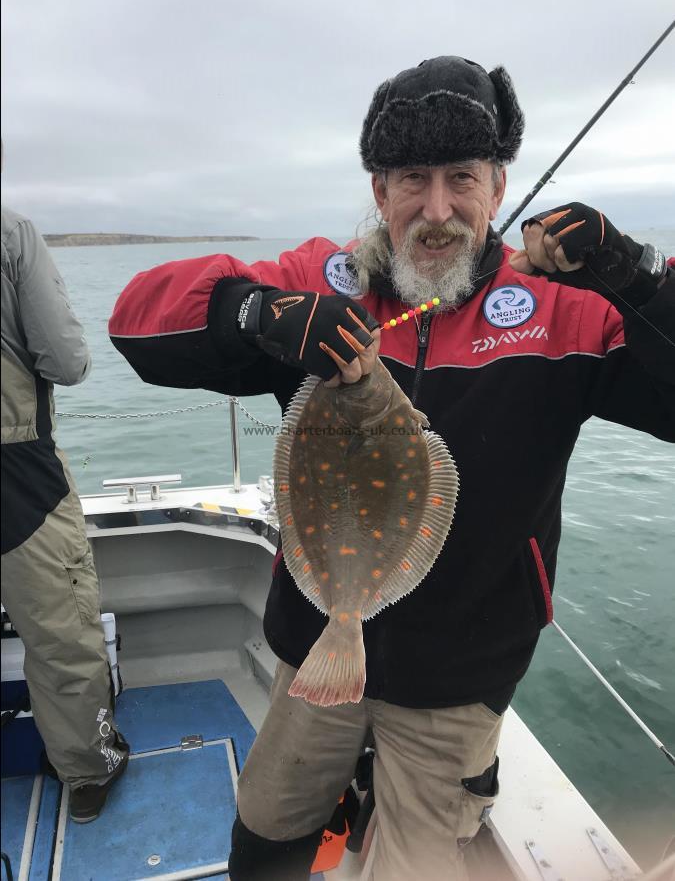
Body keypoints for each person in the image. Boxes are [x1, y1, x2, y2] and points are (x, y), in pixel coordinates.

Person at [108, 56, 674, 879]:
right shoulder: (319, 281)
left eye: (461, 178)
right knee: (262, 838)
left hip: (459, 674)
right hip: (318, 646)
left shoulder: (566, 309)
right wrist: (254, 313)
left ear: (497, 184)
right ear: (379, 191)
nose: (436, 209)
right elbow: (136, 322)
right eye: (412, 178)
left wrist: (640, 280)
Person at [1, 201, 129, 823]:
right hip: (17, 472)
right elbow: (67, 361)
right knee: (60, 631)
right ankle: (85, 768)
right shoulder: (12, 233)